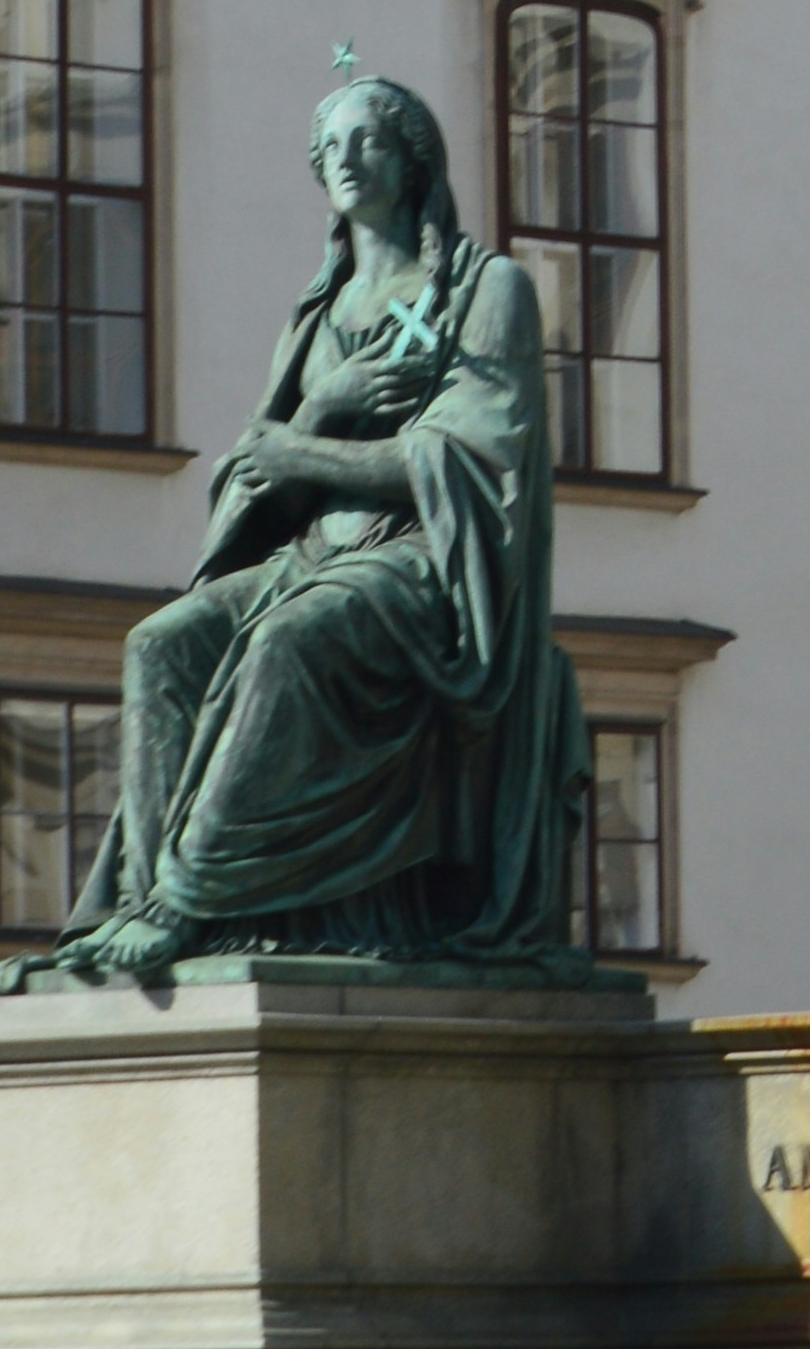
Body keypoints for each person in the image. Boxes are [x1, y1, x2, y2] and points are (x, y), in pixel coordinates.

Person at [50, 64, 584, 978]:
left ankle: (190, 896)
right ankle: (144, 896)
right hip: (311, 554)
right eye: (328, 146)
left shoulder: (483, 292)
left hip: (424, 568)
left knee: (291, 642)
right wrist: (321, 411)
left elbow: (463, 464)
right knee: (161, 644)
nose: (346, 158)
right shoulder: (316, 317)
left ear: (414, 159)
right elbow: (255, 478)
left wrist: (299, 451)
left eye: (367, 138)